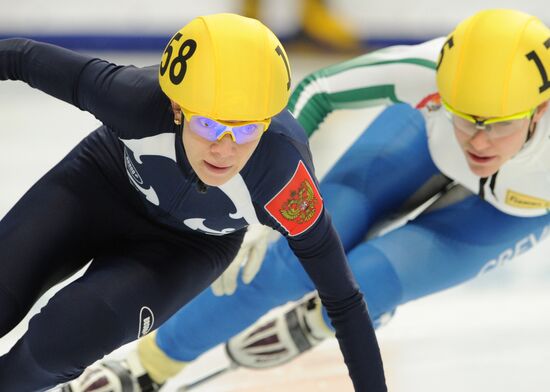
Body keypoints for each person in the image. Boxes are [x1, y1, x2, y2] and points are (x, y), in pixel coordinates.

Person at [64, 8, 550, 392]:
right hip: (423, 140)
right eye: (464, 116)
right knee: (281, 261)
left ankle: (317, 320)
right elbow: (316, 92)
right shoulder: (428, 74)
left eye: (499, 125)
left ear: (540, 110)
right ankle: (147, 366)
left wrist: (322, 320)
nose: (479, 142)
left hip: (516, 207)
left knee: (374, 281)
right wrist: (262, 196)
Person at [0, 13, 387, 392]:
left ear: (267, 123)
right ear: (176, 107)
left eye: (246, 129)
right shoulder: (134, 98)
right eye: (208, 125)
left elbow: (344, 299)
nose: (224, 148)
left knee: (66, 337)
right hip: (99, 186)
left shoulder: (283, 179)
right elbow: (19, 57)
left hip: (186, 249)